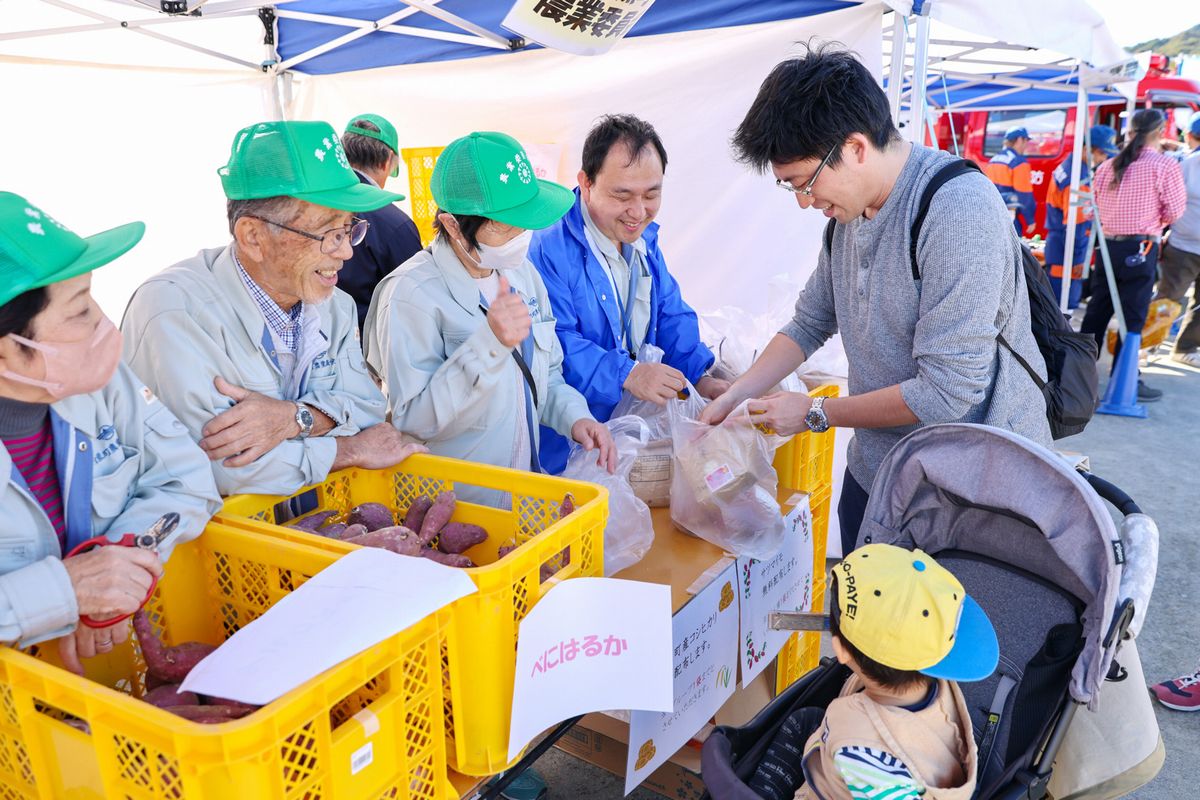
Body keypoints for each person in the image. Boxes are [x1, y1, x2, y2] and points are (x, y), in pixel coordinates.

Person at [705, 45, 1051, 556]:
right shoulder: (846, 218)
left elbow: (946, 393)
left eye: (806, 183)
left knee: (943, 633)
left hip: (970, 491)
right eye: (791, 188)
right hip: (880, 471)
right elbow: (808, 323)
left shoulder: (956, 210)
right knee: (861, 627)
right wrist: (737, 393)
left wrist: (816, 414)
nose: (805, 202)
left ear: (856, 147)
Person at [122, 120, 426, 497]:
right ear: (253, 237)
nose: (346, 251)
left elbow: (365, 409)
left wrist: (292, 419)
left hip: (310, 522)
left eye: (349, 229)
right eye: (328, 234)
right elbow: (223, 467)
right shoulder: (173, 310)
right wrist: (348, 449)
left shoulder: (337, 306)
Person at [0, 192, 220, 675]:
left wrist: (110, 568)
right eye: (78, 311)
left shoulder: (98, 380)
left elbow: (185, 480)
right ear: (7, 351)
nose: (102, 321)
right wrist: (63, 592)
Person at [363, 131, 615, 488]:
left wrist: (574, 417)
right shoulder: (409, 295)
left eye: (524, 223)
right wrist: (489, 346)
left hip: (522, 489)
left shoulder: (524, 275)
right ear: (452, 225)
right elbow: (413, 420)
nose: (519, 237)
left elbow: (546, 375)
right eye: (502, 227)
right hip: (457, 503)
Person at [528, 114, 727, 474]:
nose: (638, 212)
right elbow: (551, 345)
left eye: (652, 194)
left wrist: (701, 377)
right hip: (568, 443)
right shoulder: (547, 247)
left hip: (626, 435)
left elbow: (669, 312)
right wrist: (627, 374)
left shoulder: (643, 241)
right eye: (622, 195)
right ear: (585, 183)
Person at [745, 544, 997, 800]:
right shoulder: (939, 684)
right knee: (805, 720)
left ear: (841, 651)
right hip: (863, 765)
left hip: (848, 780)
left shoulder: (863, 753)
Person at [1080, 108, 1186, 401]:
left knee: (1097, 312)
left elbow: (1095, 207)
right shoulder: (1164, 166)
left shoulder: (1108, 165)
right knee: (1133, 316)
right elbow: (1175, 210)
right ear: (1160, 131)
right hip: (1142, 247)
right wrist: (1155, 222)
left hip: (1109, 247)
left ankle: (1077, 378)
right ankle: (1124, 381)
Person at [339, 114, 423, 329]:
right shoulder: (394, 223)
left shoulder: (313, 207)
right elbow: (417, 298)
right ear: (386, 162)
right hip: (375, 346)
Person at [1044, 125, 1119, 308]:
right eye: (1101, 153)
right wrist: (1079, 259)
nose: (1103, 159)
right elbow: (1076, 224)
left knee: (1053, 305)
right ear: (1087, 149)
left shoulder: (1068, 167)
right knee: (1063, 307)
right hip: (1067, 251)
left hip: (1059, 244)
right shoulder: (1078, 178)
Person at [1153, 116, 1200, 368]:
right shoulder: (1187, 164)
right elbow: (1169, 203)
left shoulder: (1185, 162)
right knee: (1168, 299)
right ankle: (1147, 346)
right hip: (1183, 246)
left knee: (1177, 301)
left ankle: (1184, 348)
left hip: (1183, 242)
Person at [986, 126, 1038, 237]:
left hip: (992, 217)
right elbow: (1024, 194)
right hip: (1010, 219)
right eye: (1026, 141)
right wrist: (1030, 220)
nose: (1027, 145)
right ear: (1020, 140)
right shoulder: (1019, 162)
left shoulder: (994, 160)